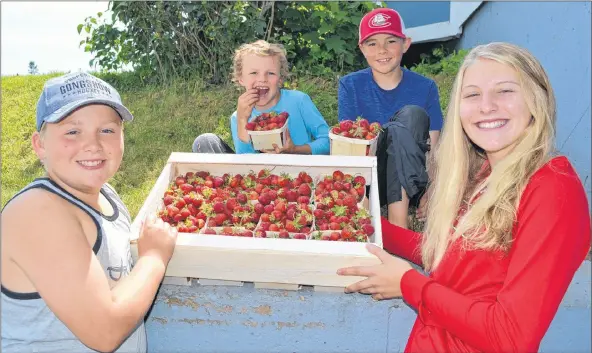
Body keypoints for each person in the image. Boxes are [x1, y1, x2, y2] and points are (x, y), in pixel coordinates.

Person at [337, 42, 591, 352]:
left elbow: (511, 338)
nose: (486, 106)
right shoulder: (486, 176)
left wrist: (408, 283)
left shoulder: (553, 187)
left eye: (505, 91)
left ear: (536, 100)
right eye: (472, 94)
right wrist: (368, 227)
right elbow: (445, 255)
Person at [1, 72, 178, 353]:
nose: (93, 144)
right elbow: (104, 331)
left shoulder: (107, 196)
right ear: (40, 145)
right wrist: (154, 257)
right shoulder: (37, 212)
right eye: (72, 131)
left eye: (107, 130)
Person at [338, 7, 444, 228]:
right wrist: (360, 194)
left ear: (405, 44)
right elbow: (350, 145)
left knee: (412, 115)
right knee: (392, 132)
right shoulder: (350, 85)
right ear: (362, 49)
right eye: (372, 43)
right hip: (373, 177)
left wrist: (432, 189)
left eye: (391, 41)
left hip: (414, 179)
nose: (382, 50)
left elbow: (434, 146)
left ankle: (398, 224)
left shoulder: (425, 87)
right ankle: (397, 224)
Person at [193, 40, 330, 155]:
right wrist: (242, 121)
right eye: (253, 73)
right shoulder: (239, 116)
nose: (262, 79)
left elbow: (328, 142)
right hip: (259, 179)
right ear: (241, 78)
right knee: (205, 141)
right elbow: (246, 162)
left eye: (270, 73)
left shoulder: (299, 101)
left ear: (280, 79)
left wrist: (295, 150)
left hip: (300, 175)